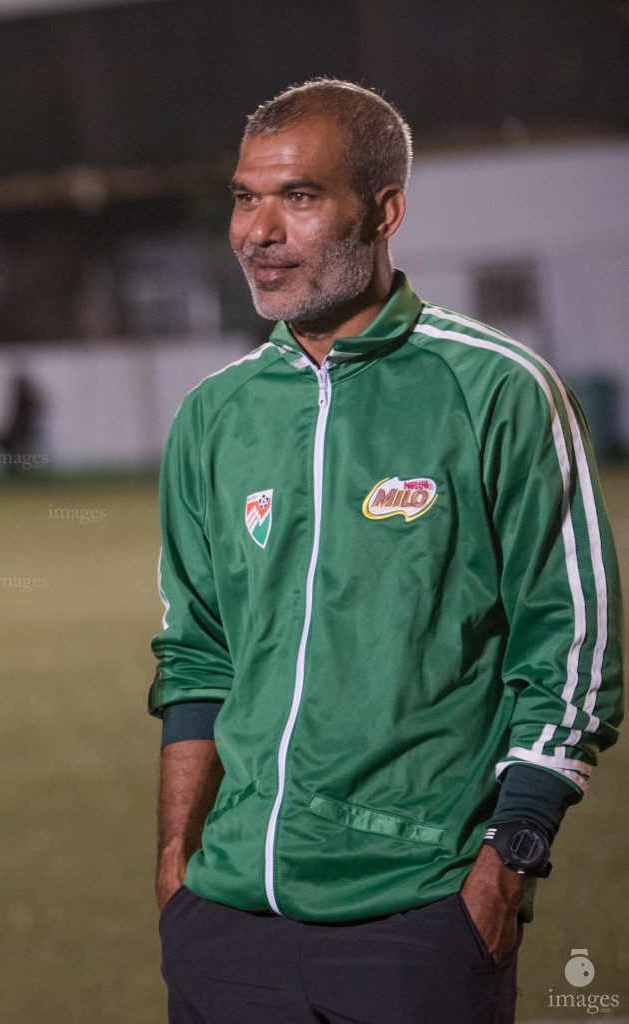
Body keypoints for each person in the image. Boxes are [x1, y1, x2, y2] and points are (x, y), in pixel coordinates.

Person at [151, 79, 622, 1024]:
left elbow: (575, 644)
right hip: (228, 917)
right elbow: (197, 652)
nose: (258, 230)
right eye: (246, 197)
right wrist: (177, 870)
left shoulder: (498, 388)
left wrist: (507, 861)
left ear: (385, 211)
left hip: (420, 917)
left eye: (299, 196)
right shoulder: (214, 414)